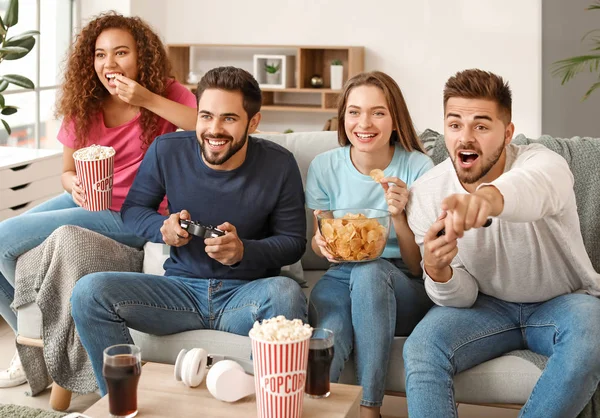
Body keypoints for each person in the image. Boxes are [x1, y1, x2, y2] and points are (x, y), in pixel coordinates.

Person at [70, 66, 308, 395]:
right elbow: (134, 210)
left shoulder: (279, 164)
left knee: (286, 294)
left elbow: (294, 243)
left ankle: (267, 403)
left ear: (253, 123)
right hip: (179, 293)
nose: (214, 129)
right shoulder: (167, 150)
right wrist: (161, 227)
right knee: (88, 292)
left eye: (229, 119)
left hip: (246, 296)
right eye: (206, 116)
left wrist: (244, 251)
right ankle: (123, 403)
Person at [0, 11, 197, 388]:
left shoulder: (167, 94)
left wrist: (147, 98)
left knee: (7, 241)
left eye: (121, 52)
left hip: (137, 213)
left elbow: (202, 124)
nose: (110, 63)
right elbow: (66, 170)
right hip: (89, 201)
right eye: (100, 54)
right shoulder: (84, 103)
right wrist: (72, 182)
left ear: (142, 57)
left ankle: (40, 341)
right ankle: (37, 341)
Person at [404, 69, 600, 417]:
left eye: (481, 126)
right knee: (422, 347)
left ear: (507, 133)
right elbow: (461, 296)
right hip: (486, 307)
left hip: (563, 302)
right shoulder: (427, 194)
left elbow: (534, 187)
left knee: (594, 332)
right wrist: (438, 270)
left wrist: (487, 200)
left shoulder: (544, 163)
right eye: (454, 125)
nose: (465, 138)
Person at [306, 71, 434, 418]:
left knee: (371, 273)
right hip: (339, 278)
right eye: (354, 111)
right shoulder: (324, 166)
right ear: (343, 117)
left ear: (395, 120)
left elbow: (417, 266)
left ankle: (369, 409)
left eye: (378, 112)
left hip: (401, 283)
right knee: (327, 336)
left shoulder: (418, 168)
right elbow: (322, 241)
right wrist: (321, 243)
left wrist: (398, 217)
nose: (364, 123)